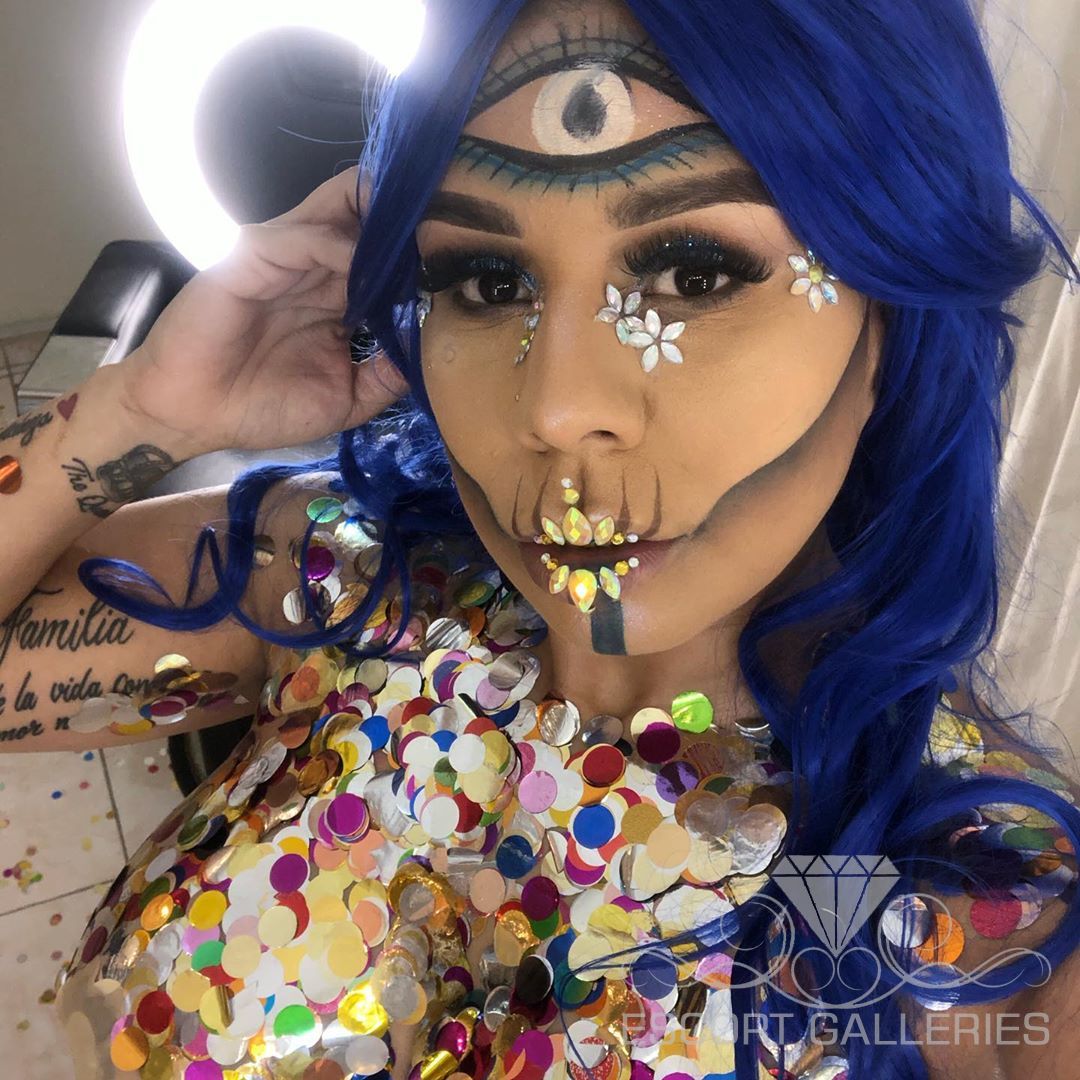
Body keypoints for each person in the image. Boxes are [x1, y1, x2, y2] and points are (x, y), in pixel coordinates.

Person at [1, 0, 1078, 1076]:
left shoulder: (989, 930)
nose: (555, 409)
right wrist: (136, 415)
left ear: (893, 308)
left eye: (693, 273)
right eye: (487, 281)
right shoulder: (341, 576)